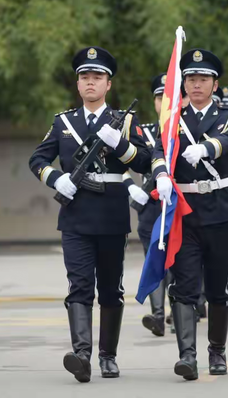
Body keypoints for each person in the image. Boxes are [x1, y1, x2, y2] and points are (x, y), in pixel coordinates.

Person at [29, 46, 151, 382]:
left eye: (97, 77)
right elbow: (37, 160)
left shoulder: (125, 121)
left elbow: (145, 161)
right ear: (78, 83)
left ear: (108, 84)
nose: (90, 83)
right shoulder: (63, 122)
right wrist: (57, 178)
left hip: (111, 216)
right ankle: (81, 354)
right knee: (79, 286)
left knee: (110, 289)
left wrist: (120, 145)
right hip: (76, 217)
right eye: (85, 77)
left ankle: (107, 356)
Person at [152, 49, 228, 380]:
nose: (195, 85)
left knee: (218, 287)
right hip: (185, 212)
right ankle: (187, 355)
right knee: (185, 286)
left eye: (202, 79)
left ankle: (216, 351)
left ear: (215, 83)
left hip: (218, 209)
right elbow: (158, 150)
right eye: (190, 79)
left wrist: (207, 148)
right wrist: (162, 173)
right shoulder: (173, 116)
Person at [122, 73, 169, 336]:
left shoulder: (184, 131)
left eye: (169, 97)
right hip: (150, 206)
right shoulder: (144, 132)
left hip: (177, 202)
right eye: (160, 97)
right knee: (154, 258)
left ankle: (182, 308)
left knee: (177, 257)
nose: (164, 102)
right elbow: (122, 164)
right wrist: (131, 187)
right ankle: (159, 315)